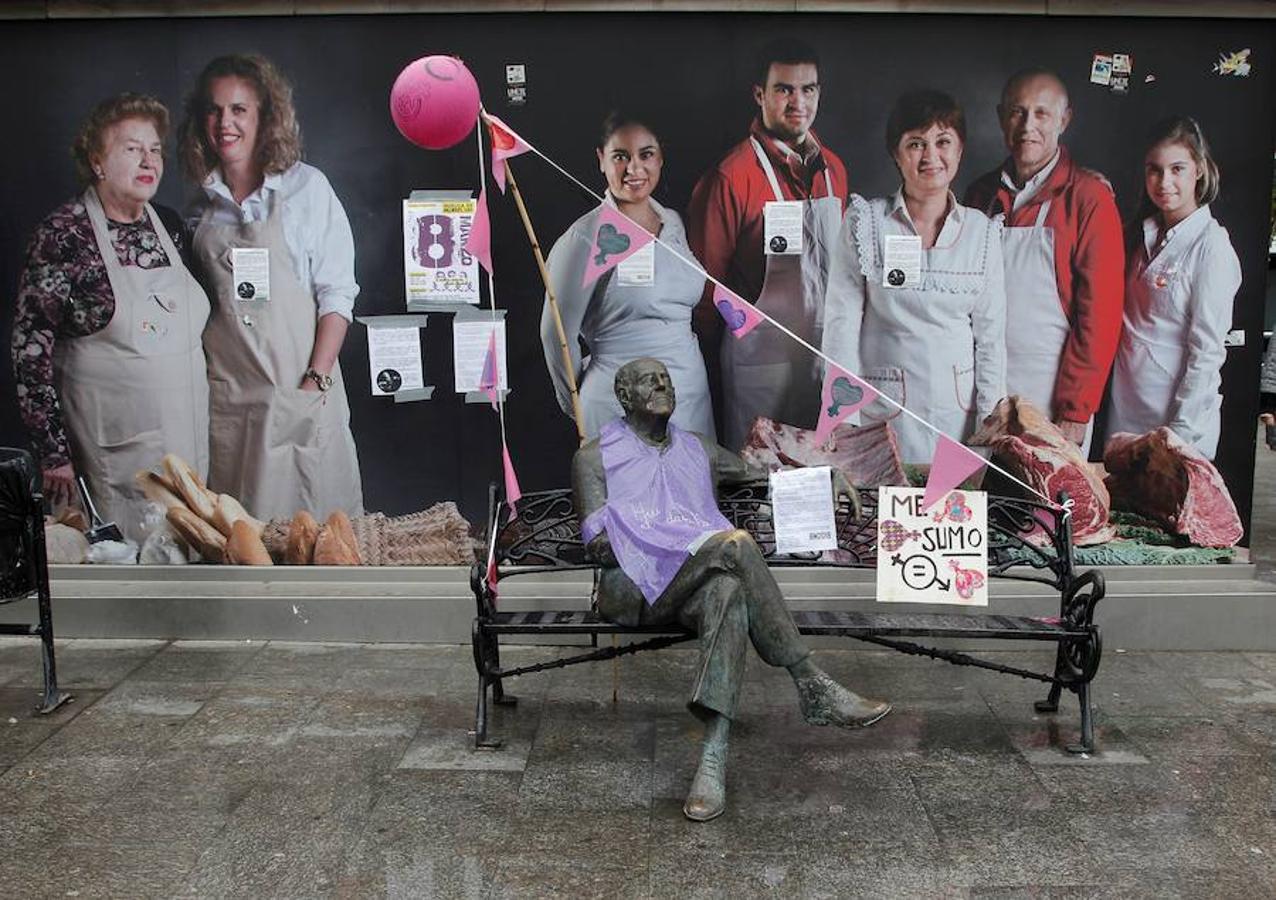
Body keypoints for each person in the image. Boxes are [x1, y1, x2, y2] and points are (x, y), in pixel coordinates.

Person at [571, 357, 890, 823]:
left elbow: (762, 477)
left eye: (666, 378)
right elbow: (597, 549)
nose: (662, 385)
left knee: (728, 593)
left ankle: (712, 760)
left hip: (696, 582)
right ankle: (810, 681)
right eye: (648, 380)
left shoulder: (698, 449)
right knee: (734, 546)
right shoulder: (593, 457)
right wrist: (670, 540)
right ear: (623, 397)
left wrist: (822, 477)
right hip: (633, 590)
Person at [11, 93, 210, 543]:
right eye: (131, 148)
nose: (149, 160)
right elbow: (30, 352)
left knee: (186, 555)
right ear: (97, 161)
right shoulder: (63, 235)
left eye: (155, 148)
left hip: (186, 443)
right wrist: (53, 454)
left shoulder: (170, 226)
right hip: (113, 453)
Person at [179, 54, 363, 521]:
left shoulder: (307, 190)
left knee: (314, 535)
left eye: (239, 110)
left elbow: (337, 296)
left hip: (297, 394)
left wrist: (314, 380)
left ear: (265, 117)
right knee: (242, 542)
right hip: (231, 404)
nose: (226, 123)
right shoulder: (200, 208)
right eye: (215, 110)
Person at [822, 90, 1006, 463]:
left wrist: (990, 425)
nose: (931, 156)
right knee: (884, 519)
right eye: (915, 144)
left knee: (950, 516)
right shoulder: (866, 222)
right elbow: (840, 327)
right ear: (895, 152)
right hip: (883, 417)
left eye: (943, 142)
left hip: (960, 420)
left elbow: (990, 340)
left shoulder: (982, 232)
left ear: (960, 149)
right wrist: (843, 418)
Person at [687, 38, 849, 449]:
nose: (798, 102)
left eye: (807, 89)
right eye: (784, 89)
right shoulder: (731, 176)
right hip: (758, 363)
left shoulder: (834, 169)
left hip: (822, 357)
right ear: (760, 94)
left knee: (823, 478)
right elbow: (705, 291)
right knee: (759, 486)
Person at [964, 68, 1123, 455]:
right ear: (1001, 117)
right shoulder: (978, 193)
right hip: (977, 387)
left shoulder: (1088, 198)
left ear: (1064, 121)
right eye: (1017, 113)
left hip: (1051, 394)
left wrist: (1076, 410)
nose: (1027, 126)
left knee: (1043, 511)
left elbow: (1099, 317)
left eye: (1041, 114)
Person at [542, 113, 714, 439]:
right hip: (618, 407)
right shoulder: (585, 237)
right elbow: (555, 334)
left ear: (660, 157)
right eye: (620, 157)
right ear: (601, 160)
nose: (634, 169)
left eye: (645, 155)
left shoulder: (674, 223)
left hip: (690, 399)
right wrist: (576, 402)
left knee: (692, 487)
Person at [1106, 116, 1242, 460]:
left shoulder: (1212, 247)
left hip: (1176, 429)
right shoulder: (1142, 235)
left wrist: (1178, 437)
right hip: (1125, 418)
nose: (1164, 181)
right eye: (1154, 169)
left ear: (1198, 169)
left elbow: (1207, 354)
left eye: (1177, 169)